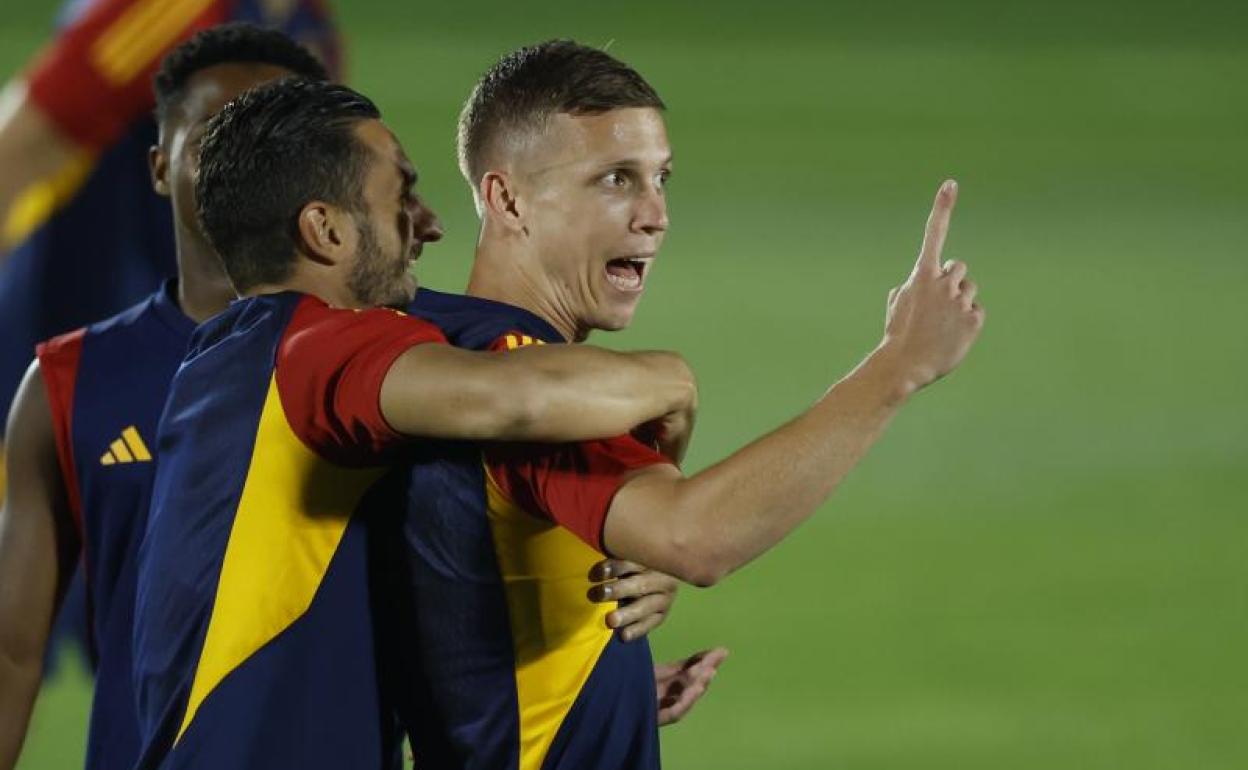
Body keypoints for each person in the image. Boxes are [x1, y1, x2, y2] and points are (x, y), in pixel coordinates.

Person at [386, 39, 985, 769]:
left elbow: (468, 594)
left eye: (661, 178)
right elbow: (694, 539)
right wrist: (897, 366)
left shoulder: (426, 347)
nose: (656, 214)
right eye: (615, 180)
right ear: (506, 198)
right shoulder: (525, 390)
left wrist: (612, 682)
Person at [130, 77, 702, 770]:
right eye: (401, 196)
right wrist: (674, 382)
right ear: (326, 229)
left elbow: (427, 557)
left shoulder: (236, 367)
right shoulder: (309, 349)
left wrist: (603, 634)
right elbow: (514, 399)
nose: (428, 223)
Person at [0, 24, 336, 770]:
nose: (246, 161)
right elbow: (11, 655)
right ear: (160, 165)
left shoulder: (401, 366)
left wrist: (636, 558)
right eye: (218, 133)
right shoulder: (71, 382)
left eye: (278, 137)